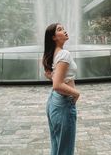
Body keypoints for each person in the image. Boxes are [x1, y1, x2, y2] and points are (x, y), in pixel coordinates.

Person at [42, 23, 80, 155]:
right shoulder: (64, 54)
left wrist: (53, 79)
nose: (64, 31)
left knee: (57, 145)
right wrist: (76, 94)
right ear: (53, 37)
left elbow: (50, 76)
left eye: (63, 28)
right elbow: (57, 85)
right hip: (63, 103)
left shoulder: (54, 54)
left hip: (54, 102)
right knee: (65, 150)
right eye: (60, 29)